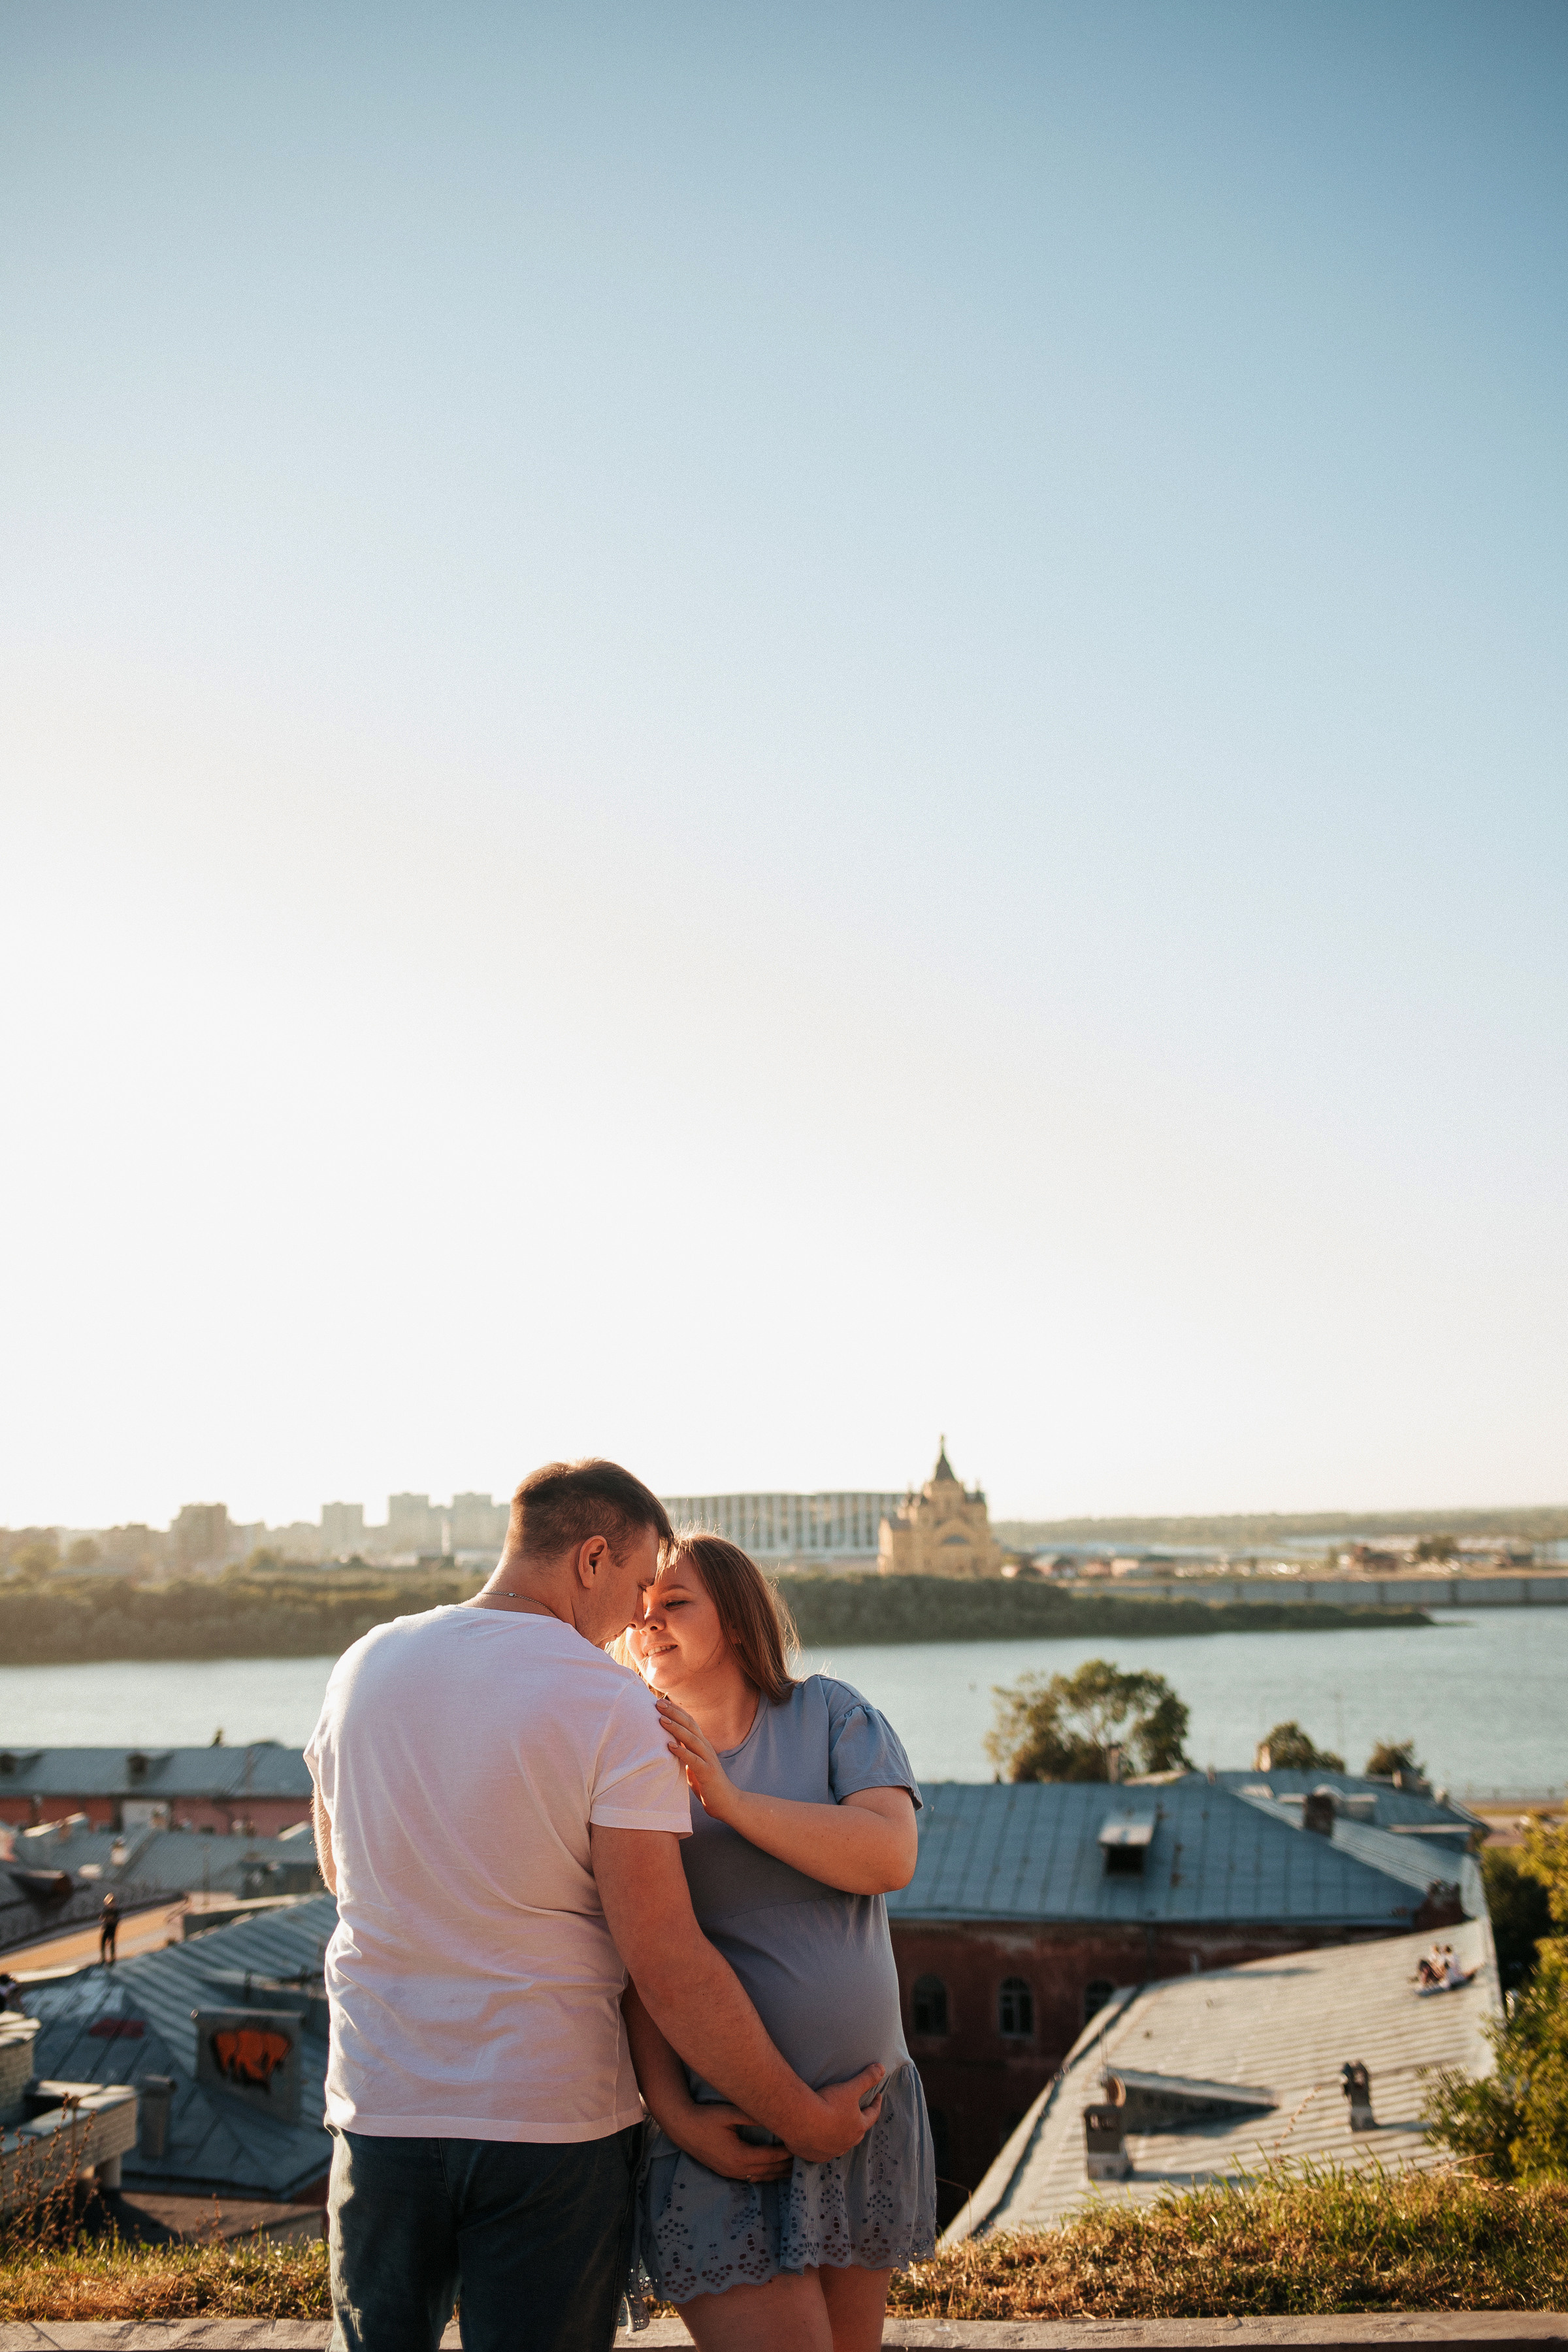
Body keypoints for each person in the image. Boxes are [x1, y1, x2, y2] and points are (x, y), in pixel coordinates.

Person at [306, 1460, 883, 2352]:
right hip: (548, 2125)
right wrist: (804, 2120)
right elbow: (665, 1956)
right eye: (641, 1578)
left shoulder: (363, 1665)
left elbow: (339, 1872)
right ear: (593, 1558)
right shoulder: (613, 1705)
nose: (638, 1614)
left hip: (380, 2104)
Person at [621, 1534, 936, 2352]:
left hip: (864, 2120)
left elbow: (887, 1855)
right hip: (729, 2137)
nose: (649, 1624)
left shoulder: (832, 1712)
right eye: (640, 1610)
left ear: (736, 1616)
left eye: (676, 1604)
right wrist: (676, 2114)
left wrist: (728, 1800)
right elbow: (639, 1959)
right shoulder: (627, 1755)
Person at [99, 1890, 120, 1965]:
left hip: (112, 1928)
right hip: (106, 1928)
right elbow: (102, 1918)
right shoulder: (106, 1910)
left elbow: (116, 1920)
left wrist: (110, 1920)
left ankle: (113, 1958)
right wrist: (106, 1919)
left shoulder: (115, 1910)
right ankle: (103, 1958)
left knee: (112, 1943)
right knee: (103, 1943)